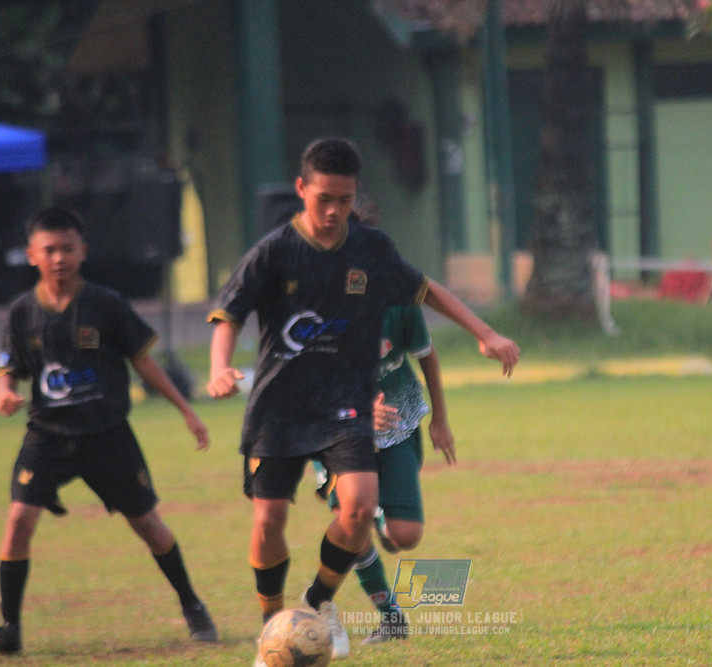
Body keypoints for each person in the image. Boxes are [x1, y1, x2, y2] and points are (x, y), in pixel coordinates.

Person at [207, 136, 518, 660]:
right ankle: (271, 628)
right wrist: (219, 367)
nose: (334, 211)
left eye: (345, 200)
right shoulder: (274, 252)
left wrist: (484, 333)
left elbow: (426, 290)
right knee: (268, 520)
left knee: (359, 507)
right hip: (280, 406)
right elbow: (229, 313)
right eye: (323, 198)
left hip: (345, 403)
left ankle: (316, 599)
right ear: (301, 189)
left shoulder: (370, 249)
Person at [0, 207, 218, 655]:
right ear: (32, 255)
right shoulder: (22, 312)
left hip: (107, 432)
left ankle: (192, 605)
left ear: (83, 251)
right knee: (18, 521)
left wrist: (186, 410)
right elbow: (8, 367)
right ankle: (10, 628)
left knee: (148, 524)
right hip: (47, 434)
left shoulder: (106, 304)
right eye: (49, 250)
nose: (59, 258)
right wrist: (4, 392)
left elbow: (143, 361)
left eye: (68, 249)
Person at [314, 300, 454, 645]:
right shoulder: (321, 301)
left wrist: (440, 419)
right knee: (352, 517)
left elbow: (427, 355)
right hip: (339, 428)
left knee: (404, 536)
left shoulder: (400, 300)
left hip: (397, 421)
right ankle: (390, 617)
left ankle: (377, 516)